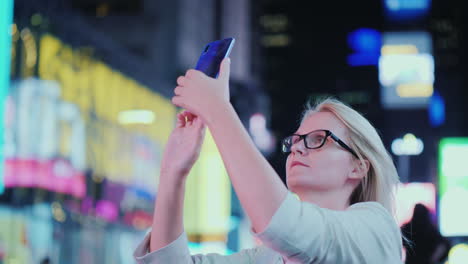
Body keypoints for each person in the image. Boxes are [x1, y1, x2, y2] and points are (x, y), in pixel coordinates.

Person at [134, 58, 404, 263]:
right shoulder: (269, 257)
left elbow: (285, 224)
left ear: (359, 166)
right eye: (296, 140)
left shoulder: (376, 228)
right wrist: (173, 173)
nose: (298, 149)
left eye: (318, 139)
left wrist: (218, 109)